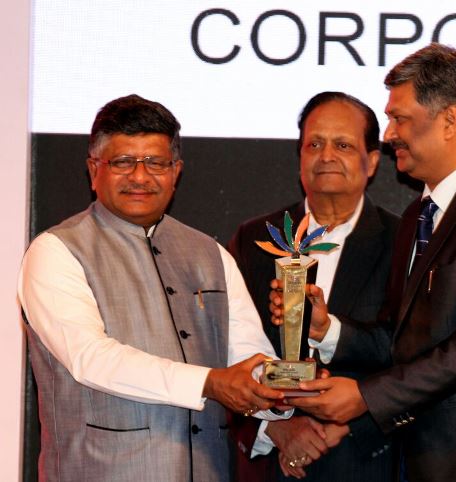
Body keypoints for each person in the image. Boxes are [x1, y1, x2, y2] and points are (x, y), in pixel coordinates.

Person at [271, 43, 456, 481]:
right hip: (428, 460)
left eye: (400, 118)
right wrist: (327, 329)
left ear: (449, 120)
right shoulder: (419, 214)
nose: (389, 134)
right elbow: (404, 340)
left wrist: (367, 396)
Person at [18, 94, 288, 482]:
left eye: (155, 163)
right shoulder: (56, 251)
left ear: (176, 171)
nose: (140, 176)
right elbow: (91, 358)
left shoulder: (210, 254)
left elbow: (249, 356)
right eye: (123, 162)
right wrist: (209, 383)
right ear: (94, 170)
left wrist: (284, 389)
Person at [228, 92, 398, 480]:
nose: (326, 156)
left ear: (372, 161)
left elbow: (416, 357)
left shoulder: (403, 242)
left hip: (366, 462)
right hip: (271, 464)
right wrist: (273, 427)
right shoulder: (255, 239)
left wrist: (348, 424)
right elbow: (223, 346)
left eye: (343, 145)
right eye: (314, 144)